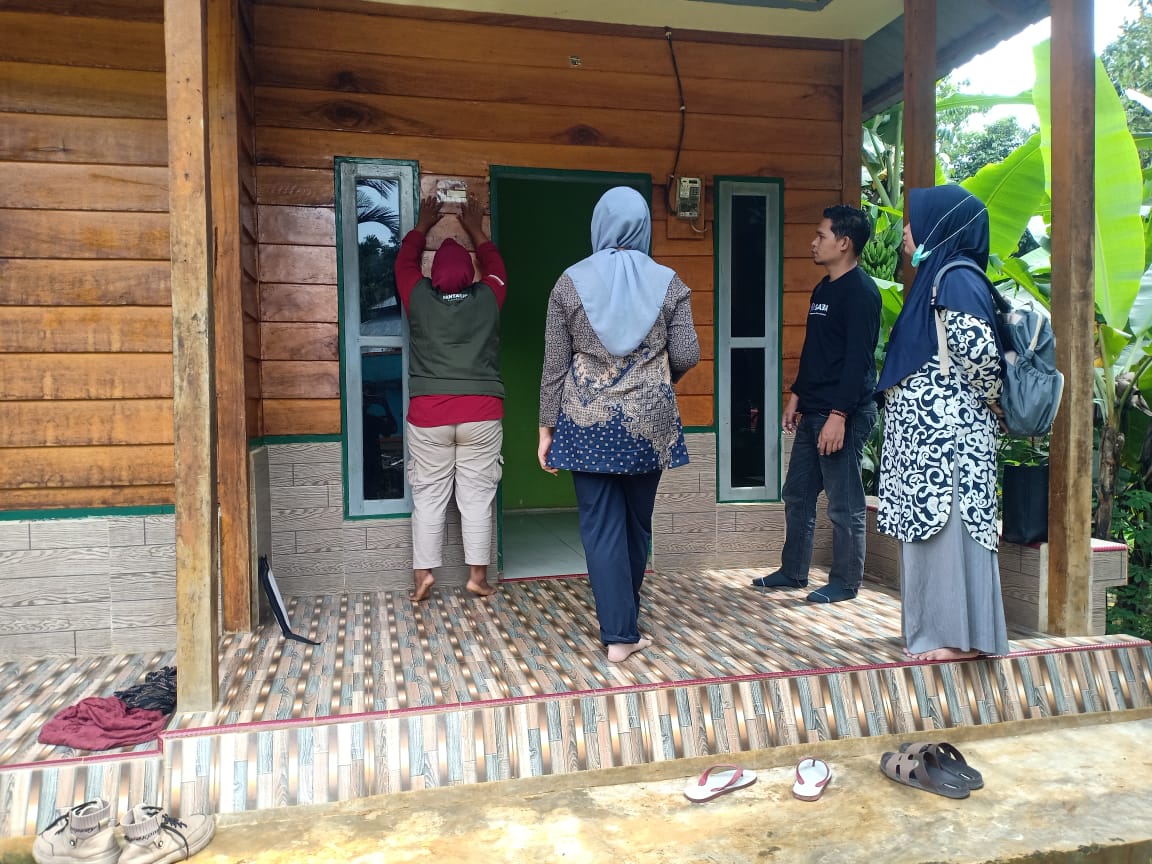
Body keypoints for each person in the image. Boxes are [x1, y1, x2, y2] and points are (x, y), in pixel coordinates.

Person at [538, 186, 700, 663]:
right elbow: (687, 352)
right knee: (635, 524)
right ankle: (623, 625)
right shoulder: (670, 283)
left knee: (601, 527)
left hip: (585, 421)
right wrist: (657, 379)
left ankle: (619, 632)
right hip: (647, 424)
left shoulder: (569, 283)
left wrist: (546, 428)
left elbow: (554, 366)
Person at [876, 184, 1009, 661]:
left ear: (941, 227)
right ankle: (937, 631)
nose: (905, 231)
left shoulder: (956, 278)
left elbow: (977, 351)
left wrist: (996, 400)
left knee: (949, 531)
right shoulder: (943, 276)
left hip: (948, 442)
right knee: (931, 532)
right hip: (932, 440)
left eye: (915, 221)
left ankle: (958, 637)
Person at [751, 205, 882, 603]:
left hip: (843, 413)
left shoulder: (861, 293)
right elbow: (814, 352)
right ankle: (793, 572)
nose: (813, 242)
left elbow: (858, 361)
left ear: (844, 243)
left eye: (821, 235)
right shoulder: (823, 289)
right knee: (797, 494)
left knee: (844, 504)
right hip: (815, 409)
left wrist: (839, 416)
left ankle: (845, 583)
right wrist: (796, 397)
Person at [395, 194, 507, 602]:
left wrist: (423, 224)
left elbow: (403, 264)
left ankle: (423, 575)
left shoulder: (418, 295)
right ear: (471, 274)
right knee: (477, 497)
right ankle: (477, 577)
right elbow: (496, 266)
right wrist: (476, 227)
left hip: (429, 415)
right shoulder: (489, 296)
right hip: (481, 413)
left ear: (434, 274)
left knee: (428, 495)